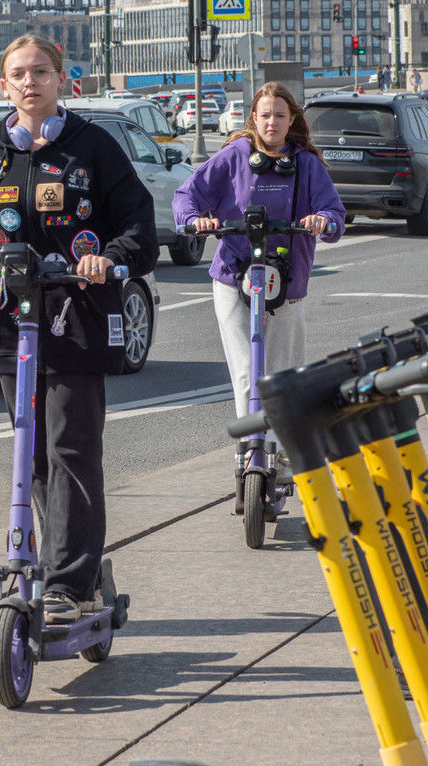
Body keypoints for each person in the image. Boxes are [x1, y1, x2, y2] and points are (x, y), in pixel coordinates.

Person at [0, 35, 158, 624]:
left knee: (69, 448)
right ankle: (68, 565)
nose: (30, 82)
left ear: (62, 80)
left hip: (76, 316)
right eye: (18, 74)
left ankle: (68, 584)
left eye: (41, 72)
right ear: (5, 85)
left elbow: (139, 225)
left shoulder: (92, 147)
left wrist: (108, 257)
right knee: (31, 455)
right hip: (13, 317)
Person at [172, 82, 345, 504]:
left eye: (280, 115)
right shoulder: (233, 157)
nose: (272, 122)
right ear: (254, 118)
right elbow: (186, 196)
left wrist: (322, 220)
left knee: (283, 376)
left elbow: (335, 214)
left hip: (287, 282)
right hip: (235, 277)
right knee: (248, 372)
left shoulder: (306, 164)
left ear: (292, 121)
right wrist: (196, 221)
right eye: (264, 115)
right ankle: (251, 451)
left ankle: (282, 456)